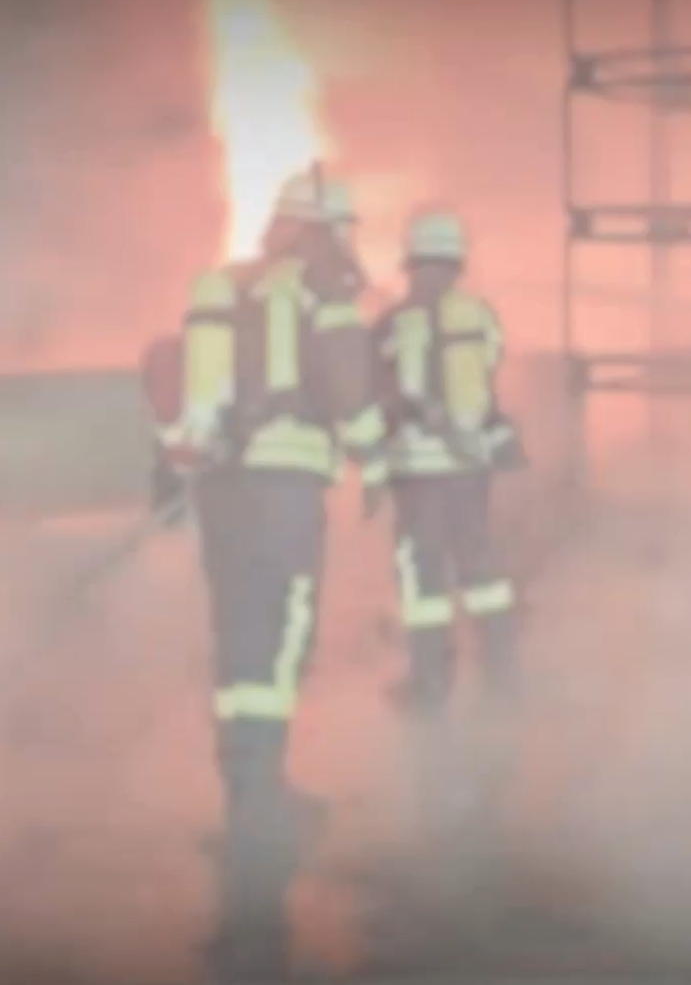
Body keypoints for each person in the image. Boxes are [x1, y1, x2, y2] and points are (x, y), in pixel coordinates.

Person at [148, 166, 386, 978]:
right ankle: (261, 804)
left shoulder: (220, 284)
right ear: (316, 227)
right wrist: (373, 452)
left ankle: (245, 788)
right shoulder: (320, 290)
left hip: (221, 487)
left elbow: (173, 376)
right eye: (338, 229)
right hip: (285, 485)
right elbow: (348, 384)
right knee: (282, 636)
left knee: (237, 641)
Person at [367, 211, 525, 716]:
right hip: (469, 468)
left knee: (424, 580)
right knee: (481, 572)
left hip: (417, 471)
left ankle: (430, 684)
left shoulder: (391, 322)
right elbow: (487, 379)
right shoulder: (481, 316)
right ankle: (503, 676)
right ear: (457, 264)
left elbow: (376, 392)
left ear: (411, 264)